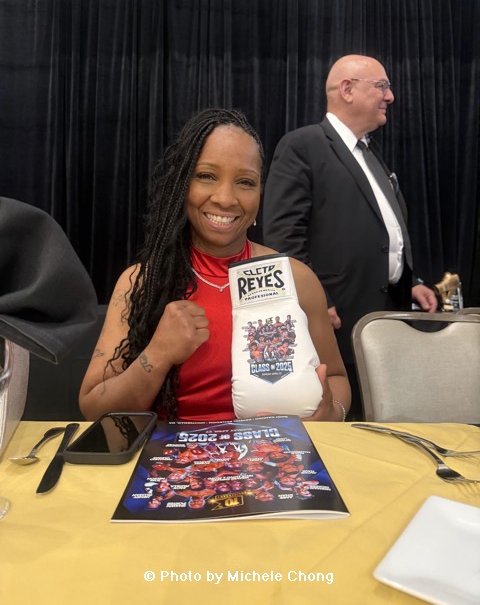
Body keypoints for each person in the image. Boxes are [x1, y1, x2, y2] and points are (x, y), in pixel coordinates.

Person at [79, 108, 350, 422]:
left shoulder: (296, 278)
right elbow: (93, 408)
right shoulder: (141, 282)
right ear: (182, 184)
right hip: (170, 453)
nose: (225, 198)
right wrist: (158, 353)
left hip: (275, 450)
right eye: (206, 176)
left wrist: (332, 412)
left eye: (245, 182)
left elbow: (337, 378)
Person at [262, 55, 437, 418]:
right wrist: (317, 302)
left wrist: (409, 282)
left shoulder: (369, 154)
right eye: (382, 86)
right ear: (347, 89)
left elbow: (382, 232)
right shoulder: (303, 145)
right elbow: (283, 238)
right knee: (346, 425)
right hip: (336, 322)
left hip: (385, 318)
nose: (390, 96)